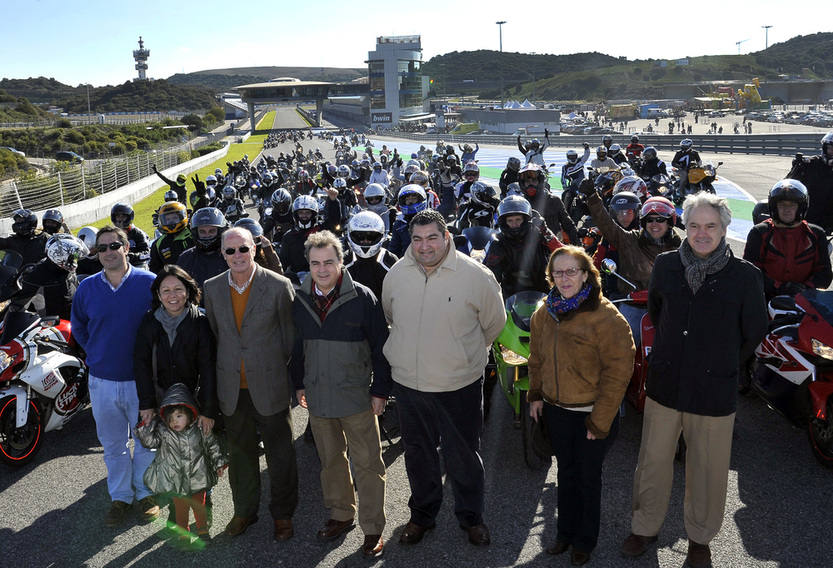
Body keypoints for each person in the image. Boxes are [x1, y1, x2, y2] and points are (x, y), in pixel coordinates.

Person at [621, 193, 768, 568]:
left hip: (714, 389)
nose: (702, 233)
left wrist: (721, 364)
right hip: (666, 384)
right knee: (652, 462)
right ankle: (644, 526)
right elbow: (656, 310)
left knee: (708, 468)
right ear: (684, 227)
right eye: (695, 226)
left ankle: (700, 538)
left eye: (711, 226)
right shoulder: (667, 266)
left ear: (723, 229)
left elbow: (753, 333)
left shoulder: (746, 276)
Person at [381, 209, 506, 547]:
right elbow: (390, 315)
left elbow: (494, 323)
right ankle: (422, 515)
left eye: (432, 237)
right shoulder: (395, 275)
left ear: (446, 237)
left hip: (459, 385)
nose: (425, 246)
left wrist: (462, 356)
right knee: (418, 455)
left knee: (463, 455)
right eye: (418, 239)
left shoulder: (476, 276)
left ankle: (471, 518)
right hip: (409, 385)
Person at [528, 246, 635, 566]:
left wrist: (600, 421)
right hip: (557, 411)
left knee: (589, 478)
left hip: (593, 414)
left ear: (587, 274)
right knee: (567, 474)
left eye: (571, 271)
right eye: (558, 272)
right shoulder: (544, 311)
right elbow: (536, 357)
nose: (564, 278)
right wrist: (535, 394)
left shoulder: (606, 316)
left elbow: (619, 372)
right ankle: (564, 534)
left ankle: (584, 542)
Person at [290, 231, 391, 559]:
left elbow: (380, 347)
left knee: (368, 464)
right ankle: (340, 515)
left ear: (341, 261)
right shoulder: (300, 299)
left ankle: (373, 528)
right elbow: (296, 347)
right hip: (319, 398)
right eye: (315, 263)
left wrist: (380, 390)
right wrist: (299, 384)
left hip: (356, 397)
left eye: (329, 262)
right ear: (308, 264)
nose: (322, 269)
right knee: (330, 461)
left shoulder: (363, 297)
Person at [204, 227, 298, 541]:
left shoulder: (278, 285)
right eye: (230, 251)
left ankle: (283, 514)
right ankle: (244, 511)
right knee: (240, 455)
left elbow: (289, 338)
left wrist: (271, 369)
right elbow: (218, 334)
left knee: (280, 455)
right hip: (232, 391)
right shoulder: (212, 288)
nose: (237, 256)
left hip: (270, 387)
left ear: (255, 249)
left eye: (243, 249)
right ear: (222, 254)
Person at [70, 226, 159, 527]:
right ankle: (121, 497)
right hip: (103, 381)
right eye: (102, 247)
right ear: (96, 253)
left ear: (126, 247)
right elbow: (79, 328)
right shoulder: (87, 288)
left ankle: (146, 493)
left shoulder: (149, 283)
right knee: (114, 444)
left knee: (147, 441)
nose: (108, 251)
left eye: (114, 245)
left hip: (142, 381)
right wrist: (97, 352)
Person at [581, 178, 682, 343]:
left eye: (660, 219)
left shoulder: (680, 248)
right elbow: (607, 225)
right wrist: (593, 197)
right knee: (619, 346)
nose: (654, 223)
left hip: (667, 309)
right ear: (643, 221)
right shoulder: (629, 239)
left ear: (670, 222)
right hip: (632, 306)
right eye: (650, 219)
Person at [134, 384, 227, 545]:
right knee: (181, 510)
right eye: (170, 418)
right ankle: (183, 535)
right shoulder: (164, 431)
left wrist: (219, 462)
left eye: (179, 416)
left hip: (198, 478)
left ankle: (203, 531)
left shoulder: (199, 429)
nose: (174, 422)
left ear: (190, 414)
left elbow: (212, 445)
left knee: (200, 507)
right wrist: (145, 428)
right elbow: (150, 442)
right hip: (175, 482)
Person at [134, 264, 218, 432]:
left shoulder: (200, 322)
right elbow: (141, 365)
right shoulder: (149, 322)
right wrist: (147, 404)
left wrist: (208, 411)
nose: (172, 295)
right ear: (158, 294)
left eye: (178, 289)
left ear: (187, 291)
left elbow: (209, 368)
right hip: (160, 405)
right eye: (166, 290)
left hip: (196, 404)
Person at [743, 179, 832, 298]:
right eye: (782, 205)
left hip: (805, 298)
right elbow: (750, 272)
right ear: (774, 207)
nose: (787, 209)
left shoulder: (816, 234)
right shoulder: (759, 232)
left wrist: (804, 288)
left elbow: (824, 275)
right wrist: (778, 287)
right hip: (765, 298)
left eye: (792, 205)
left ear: (801, 207)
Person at [485, 195, 562, 298]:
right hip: (511, 297)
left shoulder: (539, 235)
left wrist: (545, 231)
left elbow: (562, 253)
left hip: (544, 293)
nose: (515, 224)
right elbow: (490, 275)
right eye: (510, 220)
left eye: (518, 219)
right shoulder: (499, 242)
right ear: (504, 222)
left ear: (525, 219)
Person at [11, 234, 87, 319]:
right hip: (48, 327)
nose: (75, 260)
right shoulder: (35, 275)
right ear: (60, 256)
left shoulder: (67, 271)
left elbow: (79, 295)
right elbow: (18, 309)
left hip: (73, 322)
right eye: (73, 257)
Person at [343, 211, 398, 299]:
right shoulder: (344, 261)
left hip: (382, 311)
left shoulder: (389, 260)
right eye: (360, 236)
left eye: (371, 236)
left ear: (381, 235)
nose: (365, 241)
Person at [787, 132, 833, 232]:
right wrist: (798, 166)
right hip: (806, 215)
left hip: (828, 219)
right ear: (825, 149)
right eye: (831, 149)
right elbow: (789, 183)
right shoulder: (811, 163)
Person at [176, 207, 229, 291]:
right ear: (195, 233)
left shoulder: (232, 254)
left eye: (211, 231)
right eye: (202, 231)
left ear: (220, 231)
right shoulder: (185, 258)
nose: (207, 235)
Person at [149, 201, 194, 273]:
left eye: (175, 218)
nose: (171, 221)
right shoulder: (158, 244)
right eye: (168, 219)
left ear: (183, 216)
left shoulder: (193, 233)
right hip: (174, 281)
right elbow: (155, 270)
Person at [110, 203, 151, 268]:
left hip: (137, 266)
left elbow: (147, 254)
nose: (120, 219)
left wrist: (131, 257)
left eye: (123, 217)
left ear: (129, 217)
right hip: (117, 267)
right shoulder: (111, 234)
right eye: (118, 216)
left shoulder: (138, 233)